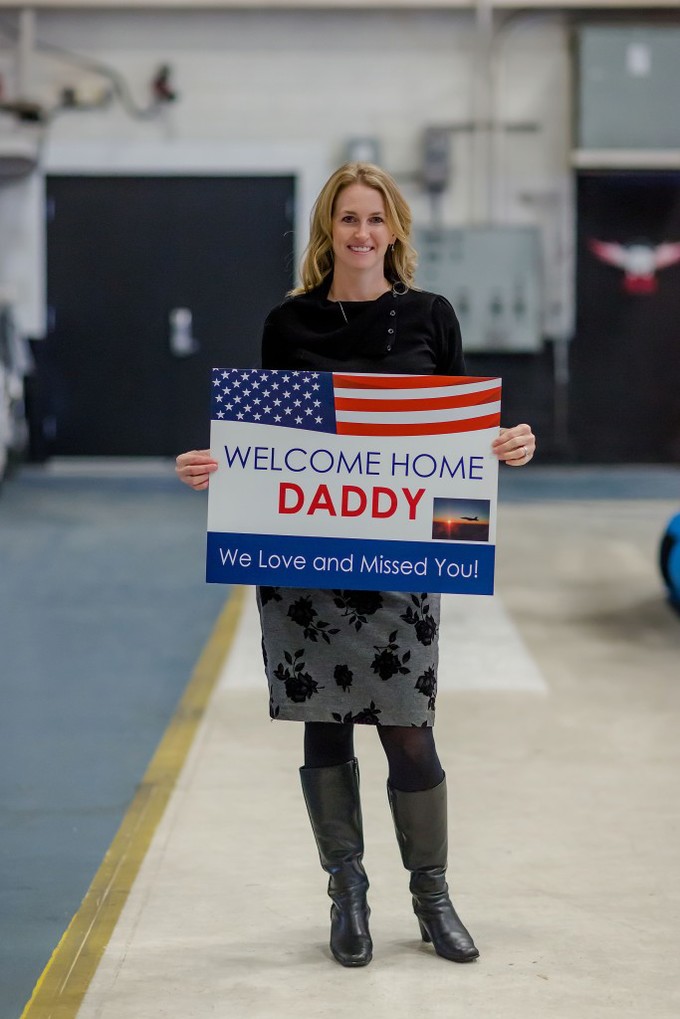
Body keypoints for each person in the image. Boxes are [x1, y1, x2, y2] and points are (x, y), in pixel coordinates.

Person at [176, 162, 536, 969]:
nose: (362, 233)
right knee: (325, 727)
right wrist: (217, 465)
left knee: (410, 731)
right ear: (327, 231)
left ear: (395, 229)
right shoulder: (290, 323)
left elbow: (458, 441)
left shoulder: (431, 318)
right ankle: (348, 893)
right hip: (305, 567)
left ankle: (432, 895)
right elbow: (270, 449)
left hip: (402, 564)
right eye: (348, 219)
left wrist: (507, 443)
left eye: (376, 219)